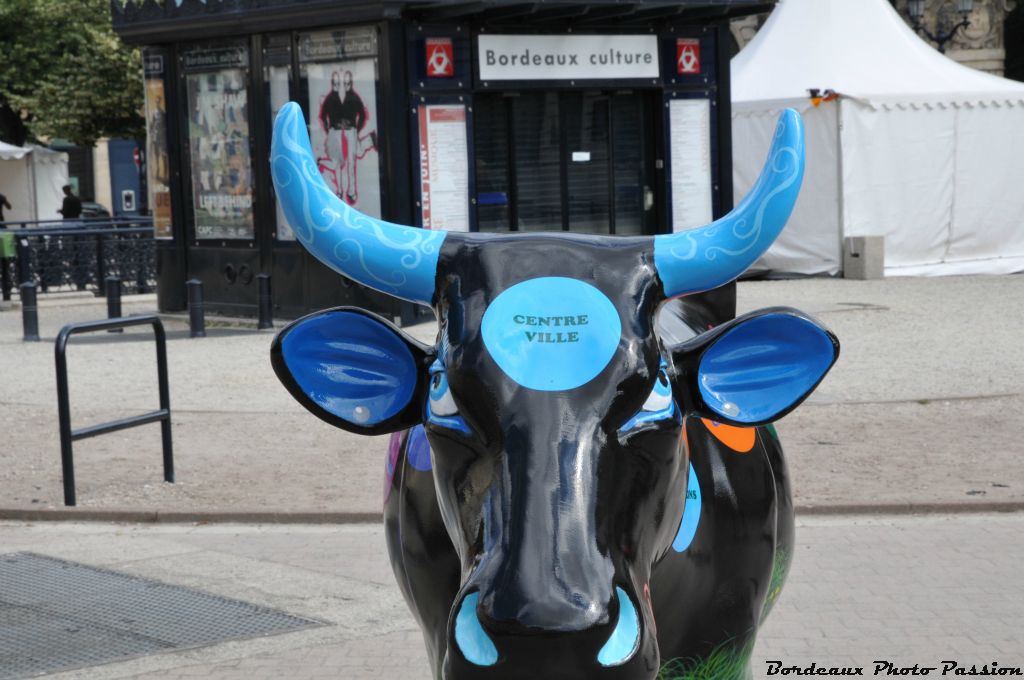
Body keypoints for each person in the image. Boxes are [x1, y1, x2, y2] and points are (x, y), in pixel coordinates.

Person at [318, 70, 377, 205]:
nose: (343, 85)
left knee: (350, 159)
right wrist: (331, 128)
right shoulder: (336, 98)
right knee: (343, 160)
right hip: (340, 130)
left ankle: (348, 191)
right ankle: (343, 191)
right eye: (339, 83)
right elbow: (323, 116)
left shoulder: (350, 98)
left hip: (347, 130)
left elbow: (361, 114)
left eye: (345, 83)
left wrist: (356, 128)